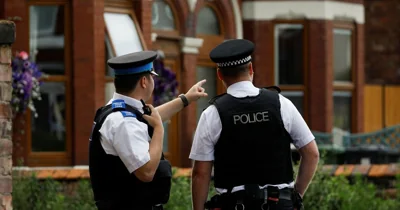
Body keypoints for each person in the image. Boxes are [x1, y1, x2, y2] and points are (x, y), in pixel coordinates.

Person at [189, 39, 319, 210]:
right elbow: (312, 154)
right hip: (280, 205)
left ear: (220, 75)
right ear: (251, 69)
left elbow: (200, 173)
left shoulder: (212, 114)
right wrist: (295, 196)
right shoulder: (281, 104)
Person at [88, 50, 208, 210]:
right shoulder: (124, 122)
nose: (153, 80)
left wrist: (186, 99)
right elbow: (146, 172)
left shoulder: (118, 109)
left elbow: (149, 117)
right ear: (144, 81)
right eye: (152, 76)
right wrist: (159, 130)